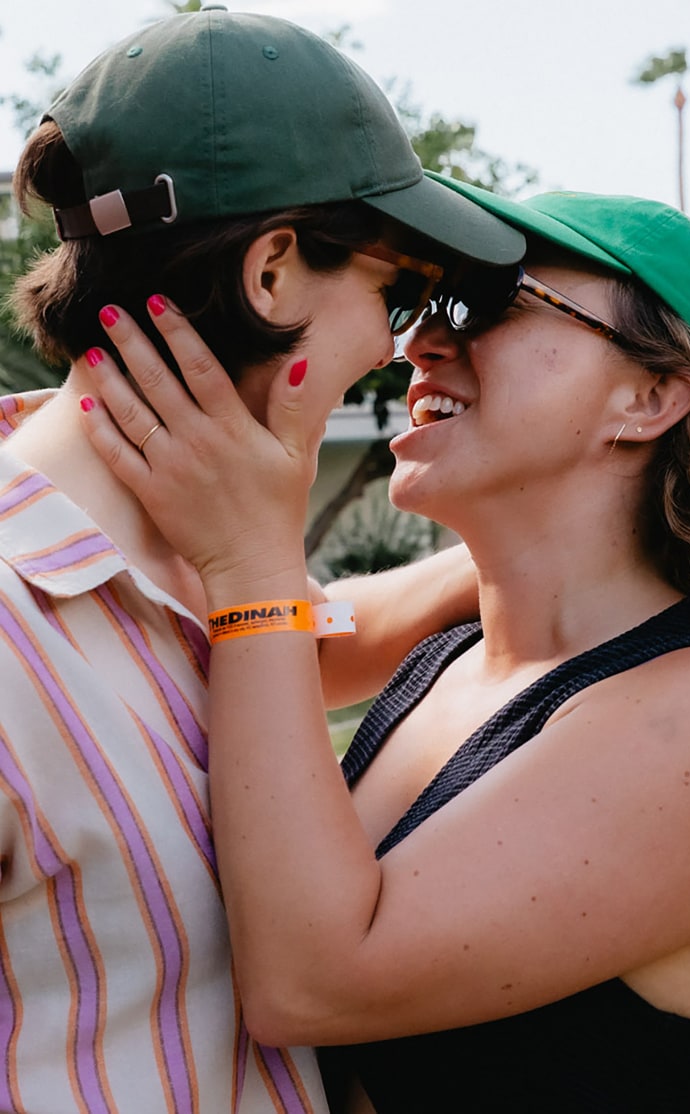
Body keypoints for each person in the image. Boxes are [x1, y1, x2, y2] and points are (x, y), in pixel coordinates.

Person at [80, 182, 690, 1114]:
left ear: (649, 398)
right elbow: (263, 647)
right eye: (424, 303)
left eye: (488, 304)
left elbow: (312, 983)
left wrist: (252, 555)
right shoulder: (471, 635)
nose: (416, 343)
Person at [0, 8, 528, 1112]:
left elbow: (334, 628)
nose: (400, 344)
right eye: (395, 290)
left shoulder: (210, 559)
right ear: (276, 273)